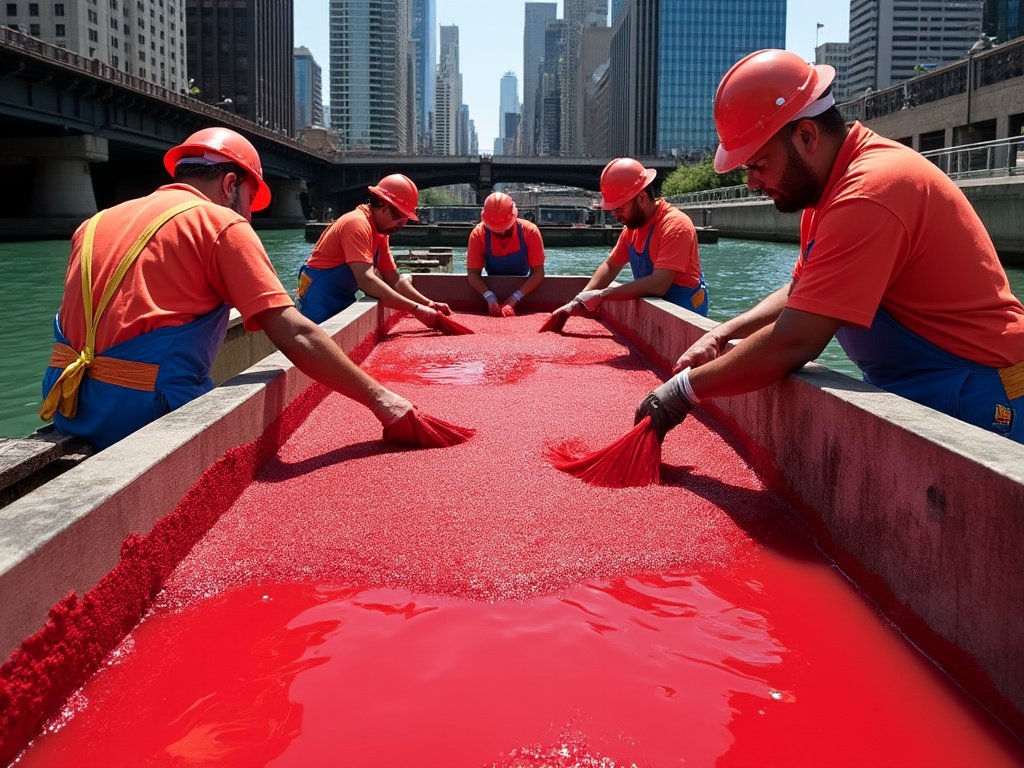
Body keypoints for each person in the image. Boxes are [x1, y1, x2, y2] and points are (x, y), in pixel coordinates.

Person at [635, 49, 1024, 444]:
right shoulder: (826, 196)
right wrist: (722, 333)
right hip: (932, 384)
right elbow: (802, 293)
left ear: (806, 136)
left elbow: (795, 339)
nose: (752, 182)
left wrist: (681, 392)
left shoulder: (870, 192)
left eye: (758, 164)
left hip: (983, 392)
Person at [40, 127, 414, 450]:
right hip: (142, 413)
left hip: (68, 404)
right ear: (230, 184)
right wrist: (382, 400)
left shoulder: (94, 223)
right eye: (250, 200)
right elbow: (294, 332)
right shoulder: (220, 224)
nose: (249, 215)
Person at [549, 157, 708, 321]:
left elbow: (658, 284)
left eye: (619, 208)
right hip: (659, 314)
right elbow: (610, 266)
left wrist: (602, 295)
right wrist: (580, 299)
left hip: (685, 314)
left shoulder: (675, 225)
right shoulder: (632, 230)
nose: (615, 215)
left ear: (641, 198)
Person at [295, 174, 451, 329]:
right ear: (382, 204)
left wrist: (428, 304)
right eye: (398, 216)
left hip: (339, 298)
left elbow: (393, 279)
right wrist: (415, 309)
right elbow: (367, 280)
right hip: (317, 299)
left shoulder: (380, 232)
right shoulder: (356, 223)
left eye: (405, 219)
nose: (400, 224)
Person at [466, 192, 546, 316]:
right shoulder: (478, 235)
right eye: (496, 232)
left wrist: (516, 297)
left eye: (506, 230)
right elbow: (472, 273)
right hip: (491, 286)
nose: (502, 234)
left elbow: (538, 272)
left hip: (524, 288)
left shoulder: (530, 232)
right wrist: (488, 295)